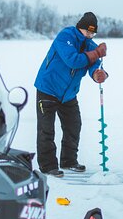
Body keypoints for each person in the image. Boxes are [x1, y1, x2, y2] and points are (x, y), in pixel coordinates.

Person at [34, 12, 108, 178]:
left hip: (68, 94)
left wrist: (98, 74)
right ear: (79, 27)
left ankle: (68, 161)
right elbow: (72, 60)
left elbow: (93, 65)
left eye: (92, 33)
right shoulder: (65, 36)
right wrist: (96, 53)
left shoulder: (90, 45)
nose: (89, 36)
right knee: (46, 130)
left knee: (74, 125)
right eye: (87, 32)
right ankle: (47, 166)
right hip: (48, 88)